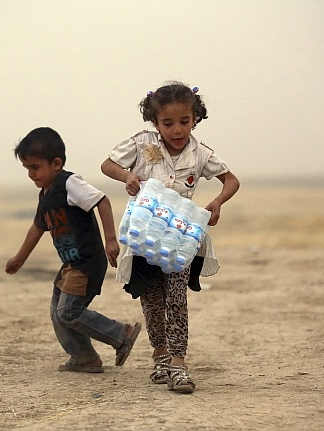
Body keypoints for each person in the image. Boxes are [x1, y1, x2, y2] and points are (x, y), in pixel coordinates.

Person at [101, 82, 240, 393]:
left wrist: (217, 202)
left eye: (184, 121)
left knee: (176, 299)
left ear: (195, 118)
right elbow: (107, 164)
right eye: (168, 123)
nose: (177, 130)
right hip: (144, 236)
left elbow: (231, 180)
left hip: (180, 238)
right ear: (155, 121)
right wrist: (128, 176)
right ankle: (160, 356)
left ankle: (179, 364)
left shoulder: (200, 153)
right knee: (151, 300)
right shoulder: (141, 144)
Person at [6, 127, 141, 374]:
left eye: (35, 167)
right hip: (70, 264)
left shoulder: (68, 183)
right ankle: (84, 357)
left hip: (87, 263)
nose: (30, 174)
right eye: (27, 168)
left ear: (56, 163)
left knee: (69, 311)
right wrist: (19, 259)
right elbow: (37, 228)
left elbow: (102, 201)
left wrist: (111, 240)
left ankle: (122, 335)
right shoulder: (45, 195)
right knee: (58, 312)